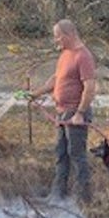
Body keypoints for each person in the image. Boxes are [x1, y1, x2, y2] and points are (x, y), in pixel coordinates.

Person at [21, 19, 98, 203]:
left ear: (69, 34)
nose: (56, 40)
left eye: (58, 36)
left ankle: (84, 200)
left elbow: (90, 87)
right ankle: (57, 196)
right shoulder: (65, 54)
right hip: (62, 113)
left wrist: (80, 113)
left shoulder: (83, 56)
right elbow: (56, 79)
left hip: (75, 113)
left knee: (76, 154)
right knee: (61, 154)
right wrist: (35, 94)